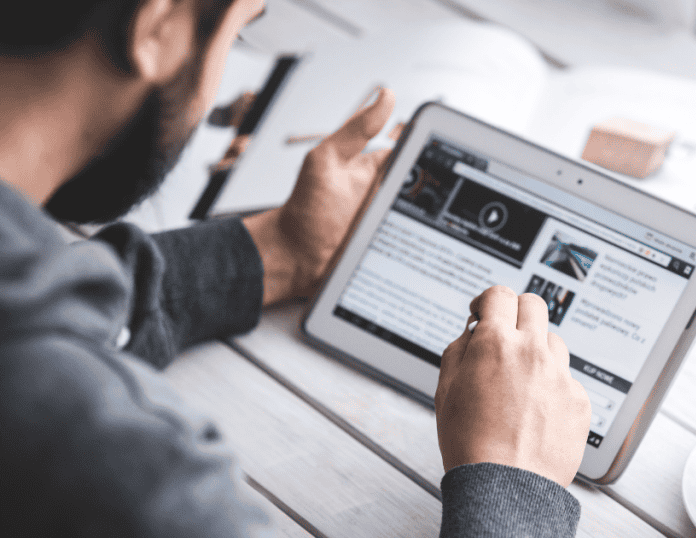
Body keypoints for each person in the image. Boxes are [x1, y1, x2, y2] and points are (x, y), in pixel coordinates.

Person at [0, 0, 592, 536]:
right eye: (237, 36)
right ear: (157, 25)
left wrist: (275, 251)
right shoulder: (129, 475)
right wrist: (515, 490)